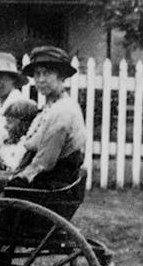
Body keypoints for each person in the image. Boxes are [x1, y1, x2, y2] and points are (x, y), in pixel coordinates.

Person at [8, 46, 86, 189]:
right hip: (44, 176)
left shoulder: (63, 111)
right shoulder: (50, 106)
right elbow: (32, 142)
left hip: (51, 182)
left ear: (61, 76)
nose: (41, 79)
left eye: (47, 73)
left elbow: (44, 162)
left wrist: (16, 178)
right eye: (37, 74)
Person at [0, 98, 39, 180]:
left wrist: (9, 176)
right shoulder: (11, 144)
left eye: (9, 122)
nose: (5, 126)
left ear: (24, 124)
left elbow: (25, 171)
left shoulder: (29, 146)